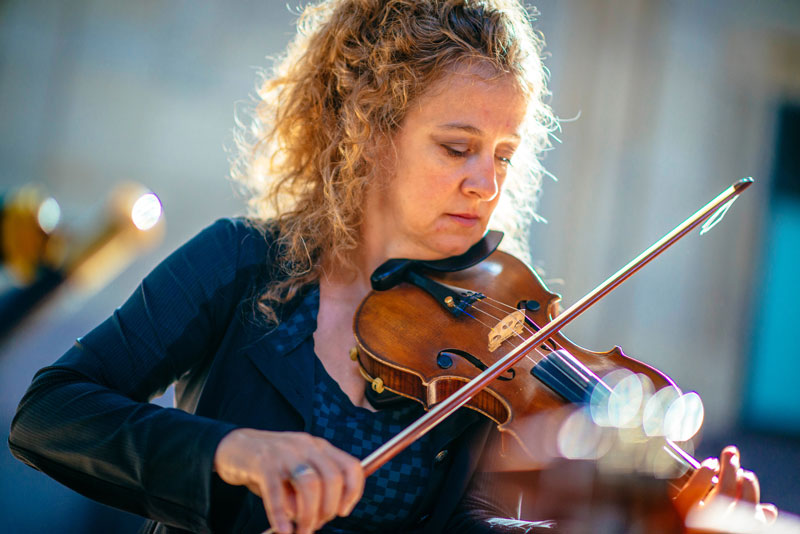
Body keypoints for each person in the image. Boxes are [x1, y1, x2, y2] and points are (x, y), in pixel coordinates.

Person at [8, 1, 777, 533]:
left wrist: (639, 514)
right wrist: (231, 451)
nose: (487, 182)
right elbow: (48, 414)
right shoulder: (242, 264)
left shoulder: (497, 325)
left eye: (504, 154)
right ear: (369, 133)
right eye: (457, 147)